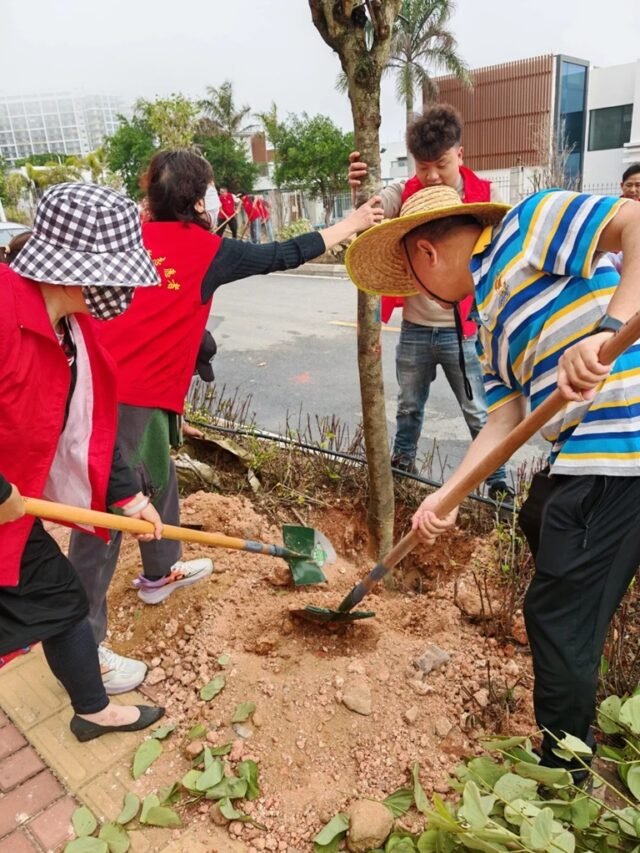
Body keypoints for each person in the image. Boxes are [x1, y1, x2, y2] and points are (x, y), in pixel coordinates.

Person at [346, 181, 640, 782]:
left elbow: (636, 225)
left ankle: (565, 773)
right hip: (581, 452)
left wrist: (605, 330)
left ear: (426, 253)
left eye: (409, 279)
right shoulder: (486, 326)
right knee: (540, 518)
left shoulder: (528, 223)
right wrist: (447, 495)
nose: (414, 292)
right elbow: (504, 422)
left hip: (620, 439)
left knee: (555, 614)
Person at [68, 149, 383, 693]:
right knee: (107, 514)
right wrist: (352, 223)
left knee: (159, 477)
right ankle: (81, 649)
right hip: (118, 397)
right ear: (197, 200)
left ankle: (160, 572)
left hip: (130, 390)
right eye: (210, 190)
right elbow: (283, 253)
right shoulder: (208, 250)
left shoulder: (132, 237)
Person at [0, 182, 165, 741]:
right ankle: (93, 709)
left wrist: (130, 496)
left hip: (12, 511)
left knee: (59, 596)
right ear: (76, 268)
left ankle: (91, 710)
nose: (120, 287)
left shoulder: (71, 330)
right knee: (58, 597)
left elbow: (90, 424)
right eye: (114, 272)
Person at [348, 105, 512, 501]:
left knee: (478, 409)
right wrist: (359, 187)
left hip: (466, 332)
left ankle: (498, 481)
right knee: (409, 405)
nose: (432, 175)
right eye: (423, 167)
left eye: (441, 164)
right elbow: (371, 211)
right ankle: (402, 463)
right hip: (416, 328)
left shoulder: (486, 197)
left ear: (460, 154)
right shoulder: (404, 194)